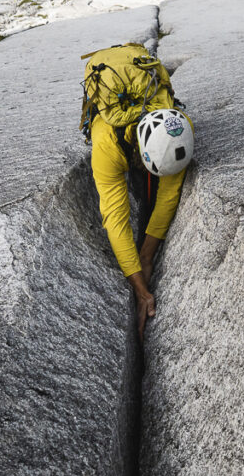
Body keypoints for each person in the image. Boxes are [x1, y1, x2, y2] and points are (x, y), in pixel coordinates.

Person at [80, 44, 196, 335]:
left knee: (154, 195)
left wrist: (147, 254)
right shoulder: (105, 145)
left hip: (139, 82)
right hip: (112, 105)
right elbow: (115, 218)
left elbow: (169, 195)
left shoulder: (179, 127)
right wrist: (141, 289)